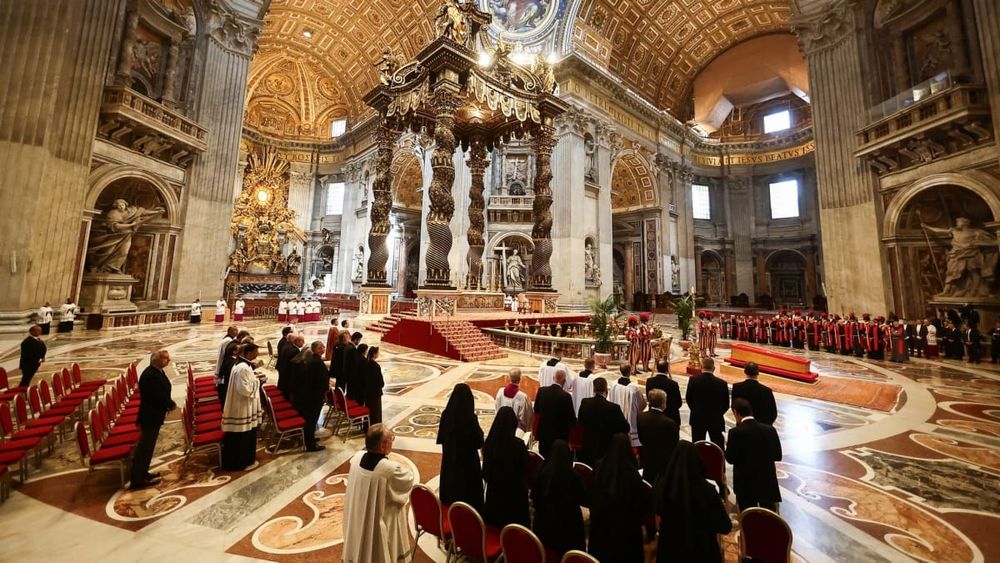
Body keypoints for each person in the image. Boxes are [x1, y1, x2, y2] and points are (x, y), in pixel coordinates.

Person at [342, 424, 415, 563]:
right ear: (382, 446)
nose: (392, 441)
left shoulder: (357, 458)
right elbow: (408, 480)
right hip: (378, 522)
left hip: (358, 515)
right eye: (391, 439)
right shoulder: (389, 469)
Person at [655, 441, 732, 563]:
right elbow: (725, 527)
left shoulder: (662, 486)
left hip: (669, 551)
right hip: (702, 552)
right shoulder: (708, 491)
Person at [588, 433, 647, 563]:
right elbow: (641, 508)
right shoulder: (633, 477)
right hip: (627, 537)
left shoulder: (599, 468)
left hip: (601, 533)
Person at [130, 350, 176, 490]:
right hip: (150, 416)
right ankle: (138, 480)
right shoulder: (150, 375)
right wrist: (170, 404)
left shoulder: (156, 372)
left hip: (154, 415)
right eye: (165, 358)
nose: (168, 360)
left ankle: (143, 473)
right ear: (155, 359)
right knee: (144, 448)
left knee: (148, 448)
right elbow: (157, 396)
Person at [726, 398, 782, 512]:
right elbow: (777, 456)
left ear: (736, 413)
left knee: (748, 521)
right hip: (767, 482)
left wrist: (728, 445)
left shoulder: (734, 433)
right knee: (769, 520)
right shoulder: (770, 430)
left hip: (745, 484)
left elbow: (730, 459)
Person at [531, 439, 585, 557]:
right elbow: (582, 498)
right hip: (568, 534)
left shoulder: (542, 471)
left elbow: (534, 498)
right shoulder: (573, 477)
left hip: (543, 530)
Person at [437, 383, 484, 510]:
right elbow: (479, 441)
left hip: (449, 461)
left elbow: (441, 438)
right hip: (468, 465)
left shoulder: (446, 415)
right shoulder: (470, 419)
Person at [482, 407, 530, 528]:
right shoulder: (518, 445)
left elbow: (485, 471)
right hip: (514, 498)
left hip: (494, 496)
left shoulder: (489, 443)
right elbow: (525, 469)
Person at [221, 343, 264, 470]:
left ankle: (243, 459)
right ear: (249, 353)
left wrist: (254, 379)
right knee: (241, 436)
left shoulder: (242, 364)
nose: (257, 354)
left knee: (241, 436)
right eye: (256, 352)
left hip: (241, 405)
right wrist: (258, 382)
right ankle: (239, 462)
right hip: (241, 406)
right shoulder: (243, 368)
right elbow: (243, 389)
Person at [577, 377, 629, 467]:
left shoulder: (585, 402)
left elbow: (580, 421)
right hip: (607, 450)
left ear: (594, 389)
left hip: (588, 446)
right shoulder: (614, 408)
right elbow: (625, 428)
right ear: (606, 390)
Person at [685, 357, 729, 450]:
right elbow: (726, 404)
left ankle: (697, 465)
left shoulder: (693, 380)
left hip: (697, 418)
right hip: (716, 420)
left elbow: (688, 399)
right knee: (718, 448)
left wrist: (696, 410)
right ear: (714, 368)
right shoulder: (722, 384)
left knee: (697, 447)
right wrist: (717, 414)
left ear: (701, 366)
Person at [637, 389, 679, 485]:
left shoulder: (640, 417)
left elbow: (640, 437)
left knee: (647, 483)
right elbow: (674, 445)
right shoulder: (669, 423)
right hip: (663, 463)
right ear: (663, 403)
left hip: (646, 456)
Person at [293, 340, 329, 452]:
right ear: (317, 349)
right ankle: (310, 444)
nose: (324, 348)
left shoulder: (313, 360)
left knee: (311, 420)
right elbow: (319, 380)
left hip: (311, 394)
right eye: (322, 347)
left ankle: (310, 438)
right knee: (311, 420)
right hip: (314, 396)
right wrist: (325, 387)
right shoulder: (315, 362)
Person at [533, 369, 576, 458]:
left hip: (544, 435)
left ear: (553, 378)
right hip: (559, 438)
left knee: (543, 459)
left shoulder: (541, 391)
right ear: (564, 381)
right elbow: (571, 419)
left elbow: (536, 410)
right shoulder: (566, 396)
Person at [608, 365, 646, 447]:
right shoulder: (634, 388)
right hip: (630, 421)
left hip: (616, 418)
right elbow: (642, 404)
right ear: (630, 371)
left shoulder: (613, 384)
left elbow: (609, 400)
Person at [644, 359, 682, 426]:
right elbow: (678, 403)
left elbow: (649, 398)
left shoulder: (650, 381)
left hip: (653, 417)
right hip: (670, 417)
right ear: (667, 369)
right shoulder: (673, 384)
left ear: (657, 368)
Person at [494, 368, 533, 432]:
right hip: (515, 430)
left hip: (501, 426)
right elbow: (526, 418)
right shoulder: (523, 397)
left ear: (509, 378)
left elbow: (497, 409)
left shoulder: (500, 392)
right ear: (520, 379)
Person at [277, 334, 304, 402]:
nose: (303, 343)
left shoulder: (286, 346)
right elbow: (295, 365)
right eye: (302, 341)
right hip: (289, 373)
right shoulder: (295, 350)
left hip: (284, 370)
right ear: (297, 341)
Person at [364, 346, 385, 424]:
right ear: (374, 354)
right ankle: (375, 426)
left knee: (369, 409)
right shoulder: (375, 366)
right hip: (375, 392)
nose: (378, 354)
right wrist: (381, 385)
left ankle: (367, 424)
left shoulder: (366, 363)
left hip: (367, 391)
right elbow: (380, 381)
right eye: (377, 353)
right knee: (375, 411)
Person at [215, 325, 238, 393]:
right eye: (235, 330)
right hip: (223, 363)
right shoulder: (228, 340)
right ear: (230, 332)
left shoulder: (229, 339)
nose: (237, 332)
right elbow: (228, 353)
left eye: (237, 330)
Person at [216, 341, 240, 405]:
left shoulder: (228, 359)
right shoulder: (232, 362)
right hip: (226, 390)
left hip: (222, 386)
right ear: (234, 352)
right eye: (239, 350)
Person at [344, 332, 365, 401]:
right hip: (351, 376)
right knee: (351, 394)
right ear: (356, 339)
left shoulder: (347, 346)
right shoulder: (352, 349)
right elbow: (354, 364)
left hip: (347, 374)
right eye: (359, 340)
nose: (359, 342)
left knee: (349, 392)